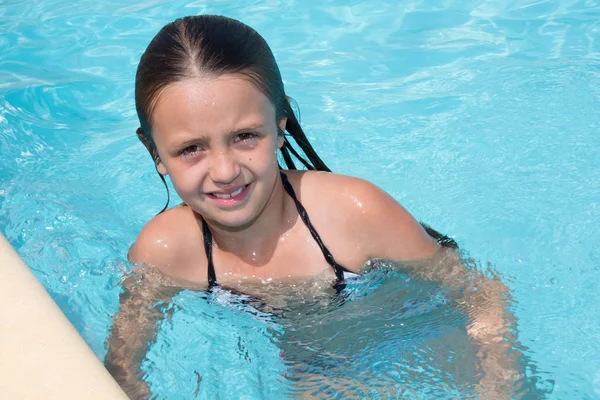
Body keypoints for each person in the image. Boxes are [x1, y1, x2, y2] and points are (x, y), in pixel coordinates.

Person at [105, 14, 522, 399]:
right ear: (155, 152)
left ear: (279, 127)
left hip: (410, 335)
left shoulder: (355, 212)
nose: (225, 170)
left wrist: (497, 382)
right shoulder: (165, 251)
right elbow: (122, 365)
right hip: (306, 365)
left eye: (246, 136)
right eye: (191, 149)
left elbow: (479, 294)